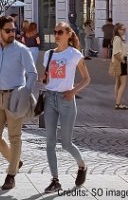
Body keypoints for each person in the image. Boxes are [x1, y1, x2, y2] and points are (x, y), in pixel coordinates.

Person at [0, 15, 37, 191]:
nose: (12, 33)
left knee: (15, 137)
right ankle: (16, 161)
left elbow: (32, 73)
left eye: (14, 30)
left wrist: (25, 93)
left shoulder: (22, 50)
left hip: (15, 97)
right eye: (8, 30)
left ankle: (11, 174)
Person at [39, 22, 90, 193]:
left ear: (68, 34)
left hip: (66, 99)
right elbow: (46, 78)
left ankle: (82, 166)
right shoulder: (49, 54)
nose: (57, 35)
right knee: (50, 142)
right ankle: (55, 180)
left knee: (66, 143)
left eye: (60, 32)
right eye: (55, 32)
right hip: (50, 98)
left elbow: (86, 78)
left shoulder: (74, 54)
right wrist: (44, 78)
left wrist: (74, 91)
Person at [111, 23, 128, 110]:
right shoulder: (118, 39)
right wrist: (122, 60)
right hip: (120, 62)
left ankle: (118, 101)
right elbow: (116, 53)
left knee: (118, 82)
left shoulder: (117, 38)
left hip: (118, 62)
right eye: (123, 29)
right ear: (118, 30)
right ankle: (118, 103)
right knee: (123, 83)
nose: (124, 31)